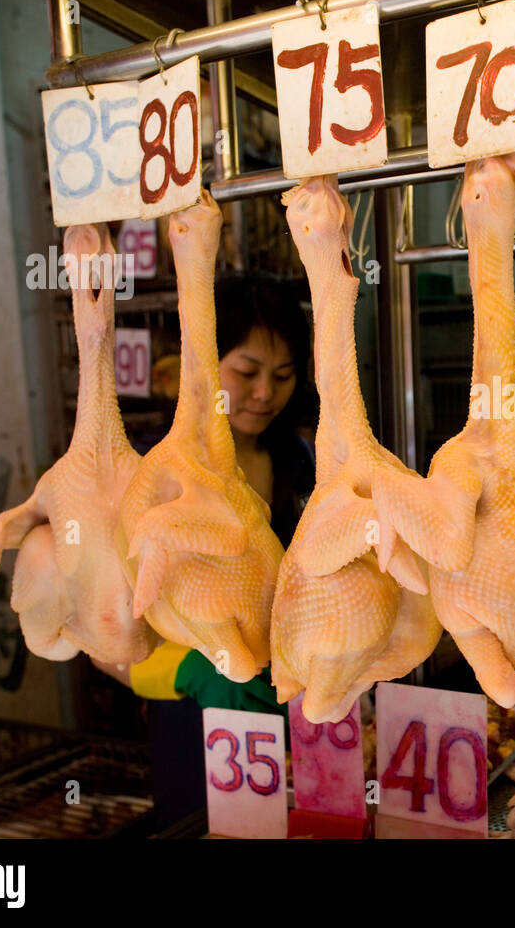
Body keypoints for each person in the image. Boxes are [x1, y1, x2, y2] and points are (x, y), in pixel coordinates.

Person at [90, 276, 314, 824]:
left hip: (299, 712)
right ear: (203, 366)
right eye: (246, 373)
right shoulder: (152, 477)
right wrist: (194, 670)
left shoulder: (301, 460)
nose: (265, 393)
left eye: (283, 376)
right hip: (192, 718)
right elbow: (98, 636)